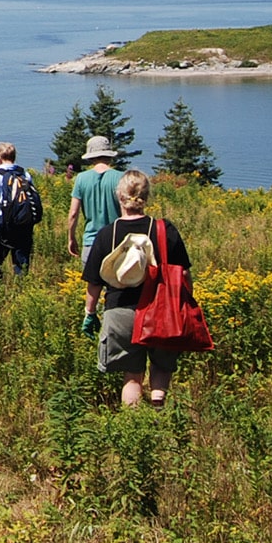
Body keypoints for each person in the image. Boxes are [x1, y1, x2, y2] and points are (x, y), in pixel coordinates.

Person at [82, 170, 191, 407]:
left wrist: (89, 313)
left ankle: (133, 421)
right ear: (146, 196)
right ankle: (158, 410)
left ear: (119, 196)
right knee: (161, 365)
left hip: (119, 312)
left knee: (132, 374)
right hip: (159, 311)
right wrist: (185, 304)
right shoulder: (164, 229)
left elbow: (94, 283)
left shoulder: (106, 234)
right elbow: (183, 273)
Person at [68, 135, 123, 331]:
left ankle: (92, 322)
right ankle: (112, 327)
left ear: (91, 156)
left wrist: (71, 238)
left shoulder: (81, 179)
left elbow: (73, 213)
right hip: (117, 241)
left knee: (93, 285)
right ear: (109, 155)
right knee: (116, 288)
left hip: (91, 241)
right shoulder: (121, 178)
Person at [0, 142, 34, 274]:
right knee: (21, 258)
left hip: (3, 223)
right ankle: (21, 282)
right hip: (23, 221)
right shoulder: (25, 174)